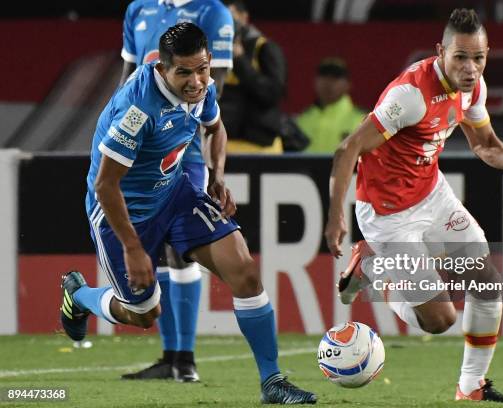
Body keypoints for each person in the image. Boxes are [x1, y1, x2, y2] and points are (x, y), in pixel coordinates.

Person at [60, 23, 316, 405]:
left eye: (202, 68)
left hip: (175, 194)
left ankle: (272, 382)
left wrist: (217, 175)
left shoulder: (202, 86)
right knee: (144, 315)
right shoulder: (138, 109)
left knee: (244, 269)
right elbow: (105, 186)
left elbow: (215, 128)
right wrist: (133, 249)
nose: (196, 81)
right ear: (163, 69)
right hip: (124, 212)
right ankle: (79, 295)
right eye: (184, 72)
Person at [324, 9, 503, 402]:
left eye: (478, 57)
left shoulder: (474, 87)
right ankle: (374, 268)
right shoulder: (411, 94)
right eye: (461, 57)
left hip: (431, 194)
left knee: (487, 282)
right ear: (441, 51)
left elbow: (484, 144)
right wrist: (336, 215)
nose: (471, 67)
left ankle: (471, 387)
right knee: (440, 321)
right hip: (387, 213)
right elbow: (347, 149)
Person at [118, 0, 234, 382]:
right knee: (154, 248)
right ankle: (171, 356)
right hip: (143, 147)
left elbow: (210, 85)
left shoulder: (212, 12)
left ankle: (185, 357)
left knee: (180, 248)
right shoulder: (138, 9)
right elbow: (129, 77)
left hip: (186, 150)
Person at [221, 0, 287, 154]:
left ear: (244, 17)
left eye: (229, 16)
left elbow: (272, 94)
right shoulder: (208, 52)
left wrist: (239, 60)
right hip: (223, 146)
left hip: (260, 148)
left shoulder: (265, 48)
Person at [297, 57, 365, 153]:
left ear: (348, 84)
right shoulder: (300, 121)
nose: (328, 82)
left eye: (335, 77)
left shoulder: (362, 121)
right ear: (315, 81)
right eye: (324, 75)